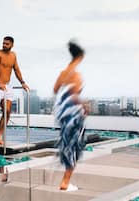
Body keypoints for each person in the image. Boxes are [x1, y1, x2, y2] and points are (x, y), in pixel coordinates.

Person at [0, 36, 30, 146]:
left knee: (7, 112)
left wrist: (22, 82)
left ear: (12, 45)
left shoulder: (13, 55)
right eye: (3, 43)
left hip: (7, 86)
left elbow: (16, 69)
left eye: (7, 44)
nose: (4, 45)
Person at [53, 41, 88, 191]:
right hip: (73, 113)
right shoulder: (76, 75)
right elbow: (74, 94)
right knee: (75, 146)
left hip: (61, 112)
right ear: (80, 57)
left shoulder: (63, 73)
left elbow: (55, 90)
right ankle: (65, 182)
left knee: (67, 144)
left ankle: (65, 180)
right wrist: (85, 106)